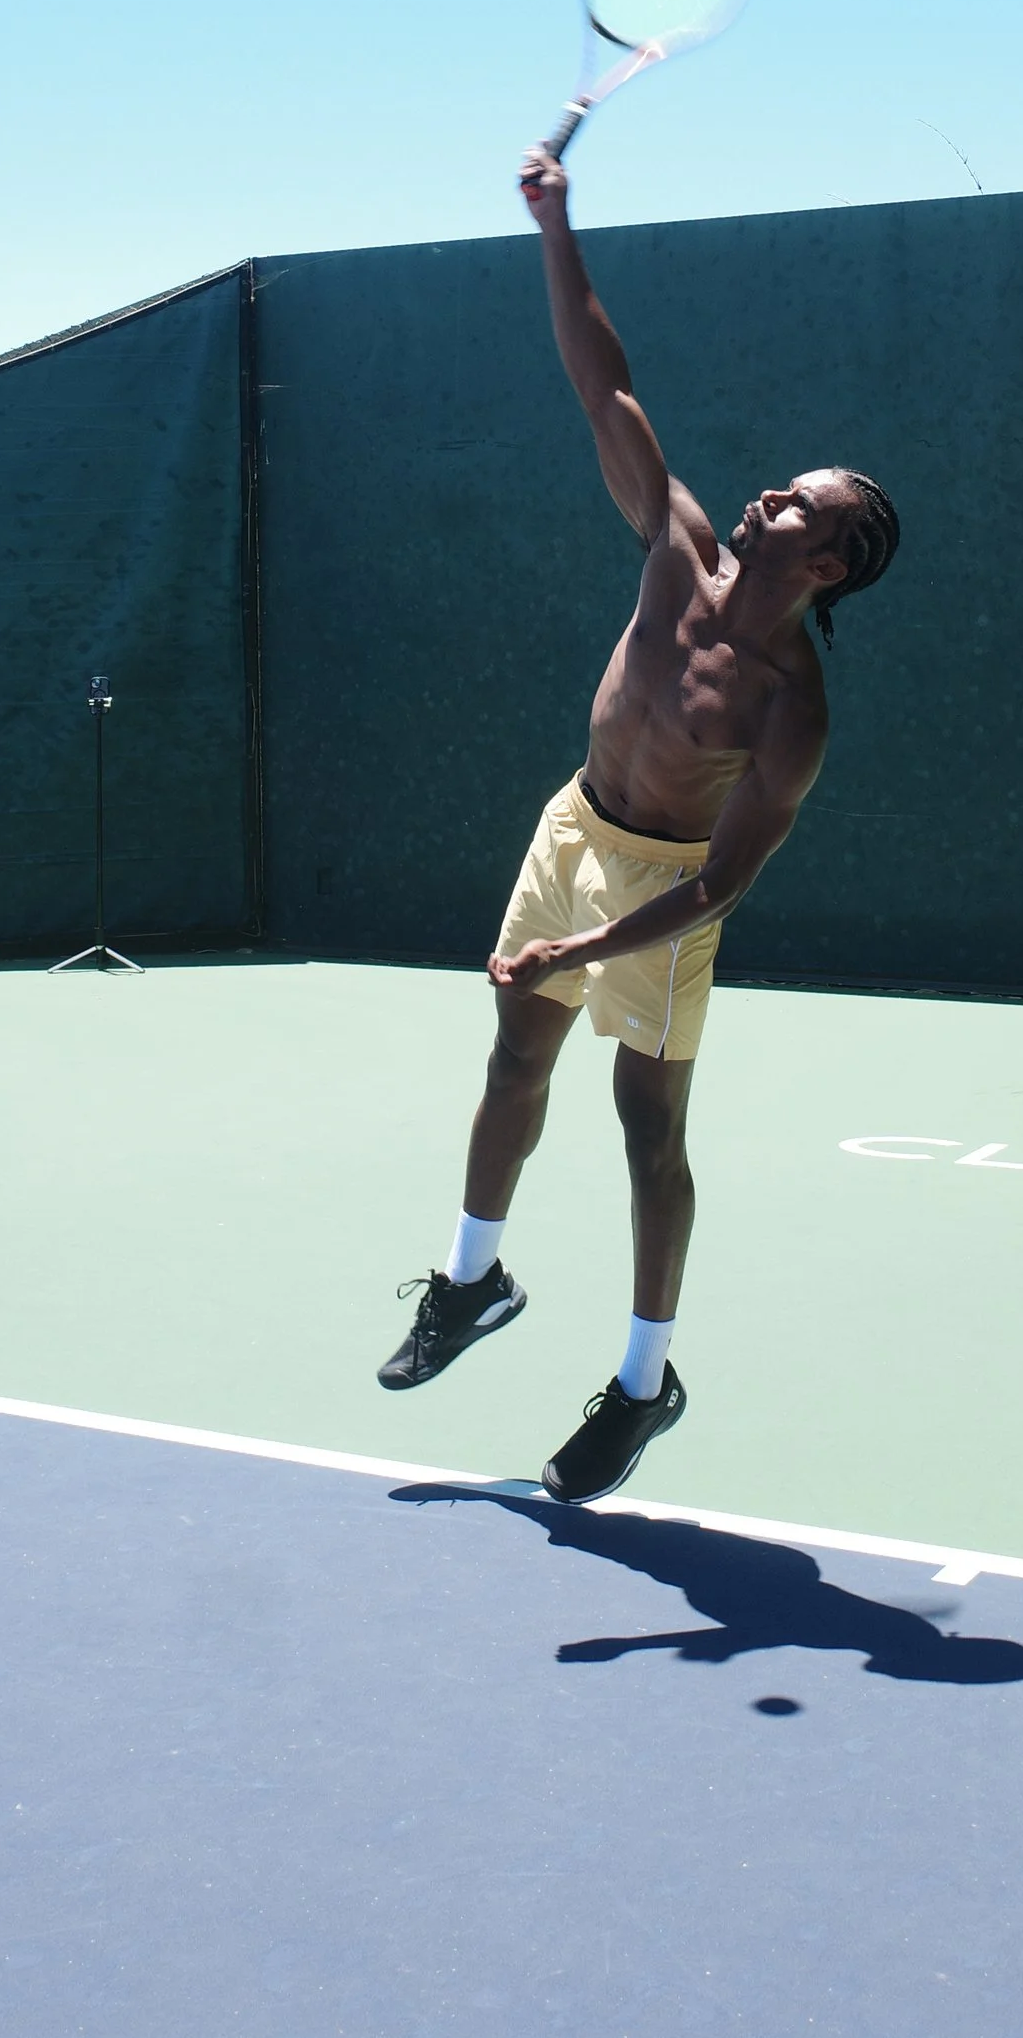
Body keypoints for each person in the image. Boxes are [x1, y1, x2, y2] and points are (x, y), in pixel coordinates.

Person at [376, 143, 898, 1501]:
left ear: (828, 560)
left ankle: (640, 1379)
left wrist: (589, 943)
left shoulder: (795, 708)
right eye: (776, 485)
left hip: (664, 891)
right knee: (511, 1065)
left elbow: (723, 882)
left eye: (796, 504)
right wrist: (556, 221)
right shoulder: (673, 541)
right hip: (573, 825)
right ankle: (471, 1284)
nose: (764, 496)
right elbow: (602, 378)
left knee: (645, 1128)